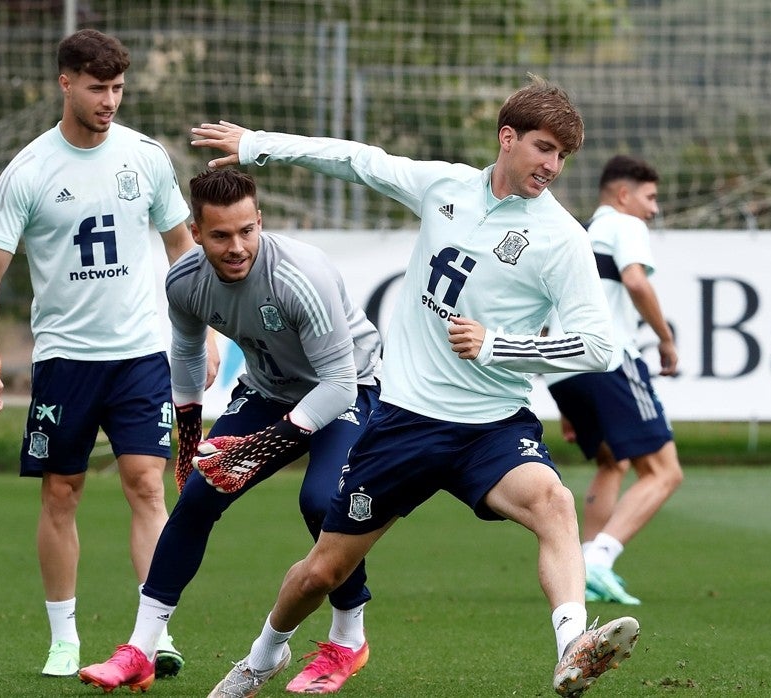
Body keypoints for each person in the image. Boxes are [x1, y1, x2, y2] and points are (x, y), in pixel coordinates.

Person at [190, 75, 640, 698]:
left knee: (555, 504)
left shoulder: (563, 239)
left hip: (492, 427)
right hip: (404, 423)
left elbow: (598, 346)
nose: (553, 166)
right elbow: (360, 161)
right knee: (323, 571)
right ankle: (262, 657)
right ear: (507, 139)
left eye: (562, 156)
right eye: (543, 148)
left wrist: (499, 345)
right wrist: (259, 144)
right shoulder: (445, 186)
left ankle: (572, 649)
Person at [78, 168, 384, 694]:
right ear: (195, 233)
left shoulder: (299, 277)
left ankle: (348, 636)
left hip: (348, 388)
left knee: (319, 501)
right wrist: (190, 435)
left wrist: (262, 446)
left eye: (247, 231)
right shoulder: (184, 282)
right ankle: (141, 649)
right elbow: (188, 351)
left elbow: (337, 383)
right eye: (220, 235)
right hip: (269, 391)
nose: (237, 246)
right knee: (198, 495)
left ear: (259, 221)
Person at [0, 29, 194, 676]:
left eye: (118, 88)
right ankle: (63, 637)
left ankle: (154, 634)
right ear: (65, 83)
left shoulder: (145, 157)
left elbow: (183, 249)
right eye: (98, 88)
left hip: (140, 354)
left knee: (147, 483)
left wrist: (200, 333)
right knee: (61, 493)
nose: (110, 100)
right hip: (65, 361)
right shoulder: (29, 171)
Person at [544, 155, 683, 606]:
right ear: (623, 195)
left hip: (563, 367)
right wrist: (664, 339)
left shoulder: (578, 234)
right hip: (609, 359)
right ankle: (600, 558)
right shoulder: (625, 225)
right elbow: (636, 282)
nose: (654, 209)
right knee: (664, 472)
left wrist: (567, 403)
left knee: (612, 463)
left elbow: (549, 313)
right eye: (650, 197)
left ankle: (582, 568)